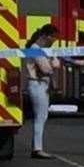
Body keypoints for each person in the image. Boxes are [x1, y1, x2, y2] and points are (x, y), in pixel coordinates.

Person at [25, 24, 57, 159]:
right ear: (45, 36)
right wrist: (51, 61)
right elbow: (47, 69)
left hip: (41, 84)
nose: (54, 40)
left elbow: (54, 64)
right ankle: (37, 149)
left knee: (42, 116)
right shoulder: (35, 49)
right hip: (37, 84)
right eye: (53, 37)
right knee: (40, 116)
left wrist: (52, 61)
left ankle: (37, 147)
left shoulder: (40, 49)